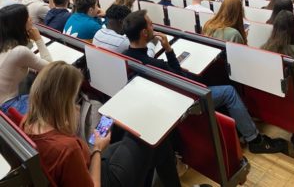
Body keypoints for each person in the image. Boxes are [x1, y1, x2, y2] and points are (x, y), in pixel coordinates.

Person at [123, 10, 288, 154]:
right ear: (144, 33)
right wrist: (168, 49)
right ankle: (254, 140)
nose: (154, 27)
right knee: (229, 92)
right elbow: (179, 75)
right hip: (187, 99)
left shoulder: (125, 56)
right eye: (151, 25)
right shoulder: (155, 64)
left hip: (167, 98)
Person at [23, 61, 181, 187]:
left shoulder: (27, 122)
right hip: (100, 176)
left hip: (89, 166)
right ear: (63, 101)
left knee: (157, 145)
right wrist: (97, 149)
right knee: (150, 134)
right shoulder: (67, 148)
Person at [0, 4, 52, 115]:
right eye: (27, 17)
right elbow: (51, 67)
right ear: (19, 24)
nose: (31, 19)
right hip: (9, 106)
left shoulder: (5, 44)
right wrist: (38, 39)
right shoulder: (19, 52)